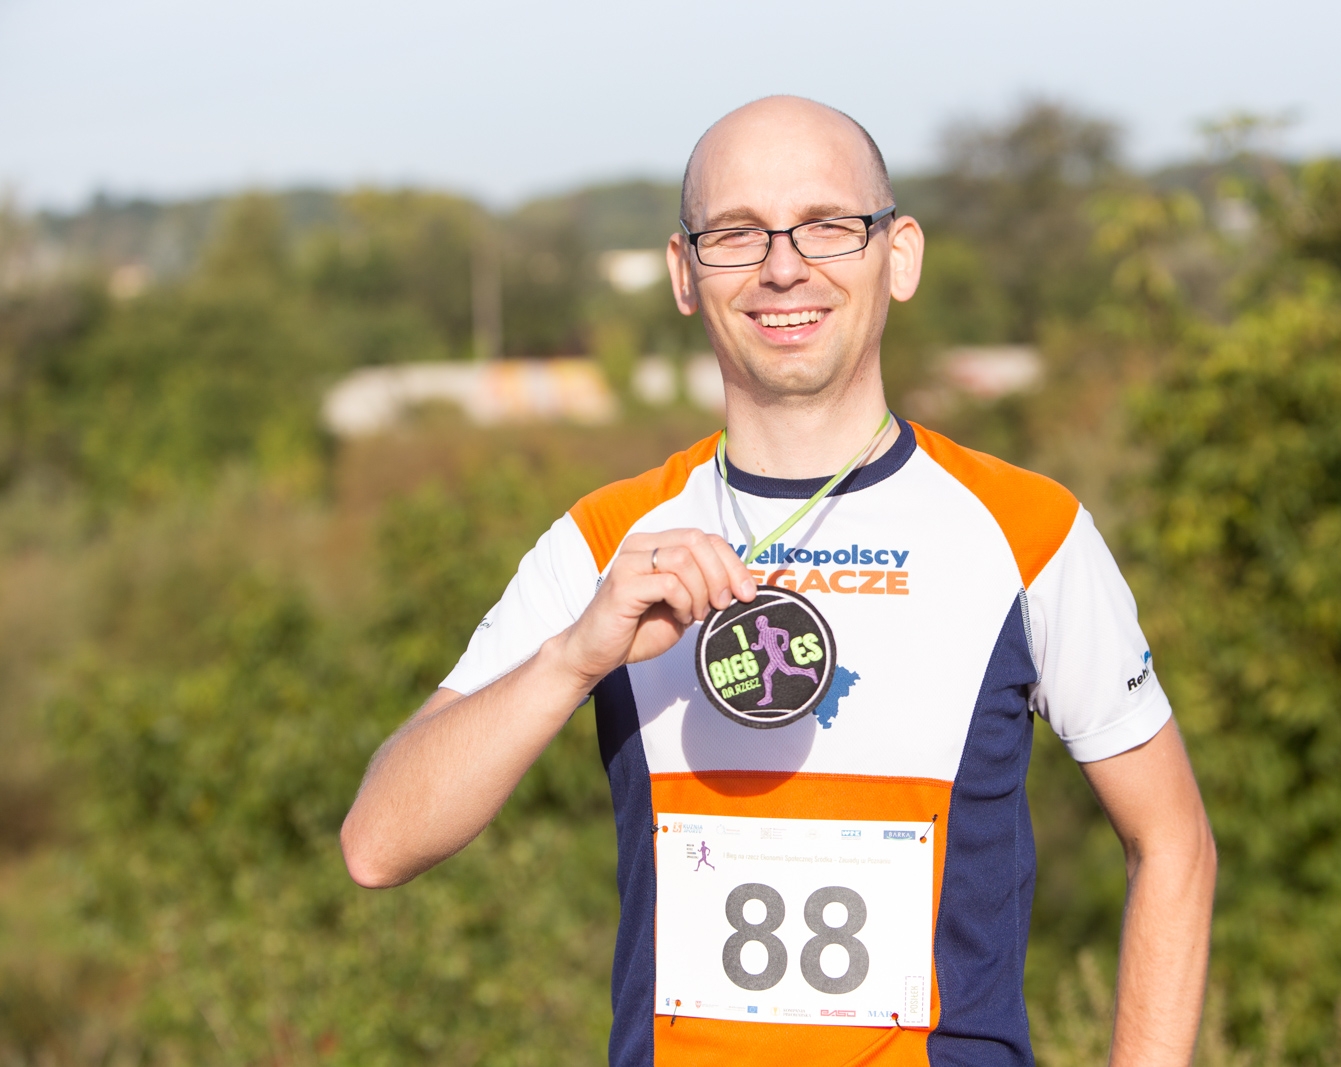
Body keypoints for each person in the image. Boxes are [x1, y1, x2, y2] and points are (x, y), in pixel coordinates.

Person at [341, 95, 1216, 1066]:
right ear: (683, 273)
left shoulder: (1030, 531)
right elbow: (378, 844)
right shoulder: (605, 539)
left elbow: (1172, 842)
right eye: (735, 233)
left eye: (828, 226)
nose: (783, 265)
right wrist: (572, 657)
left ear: (901, 254)